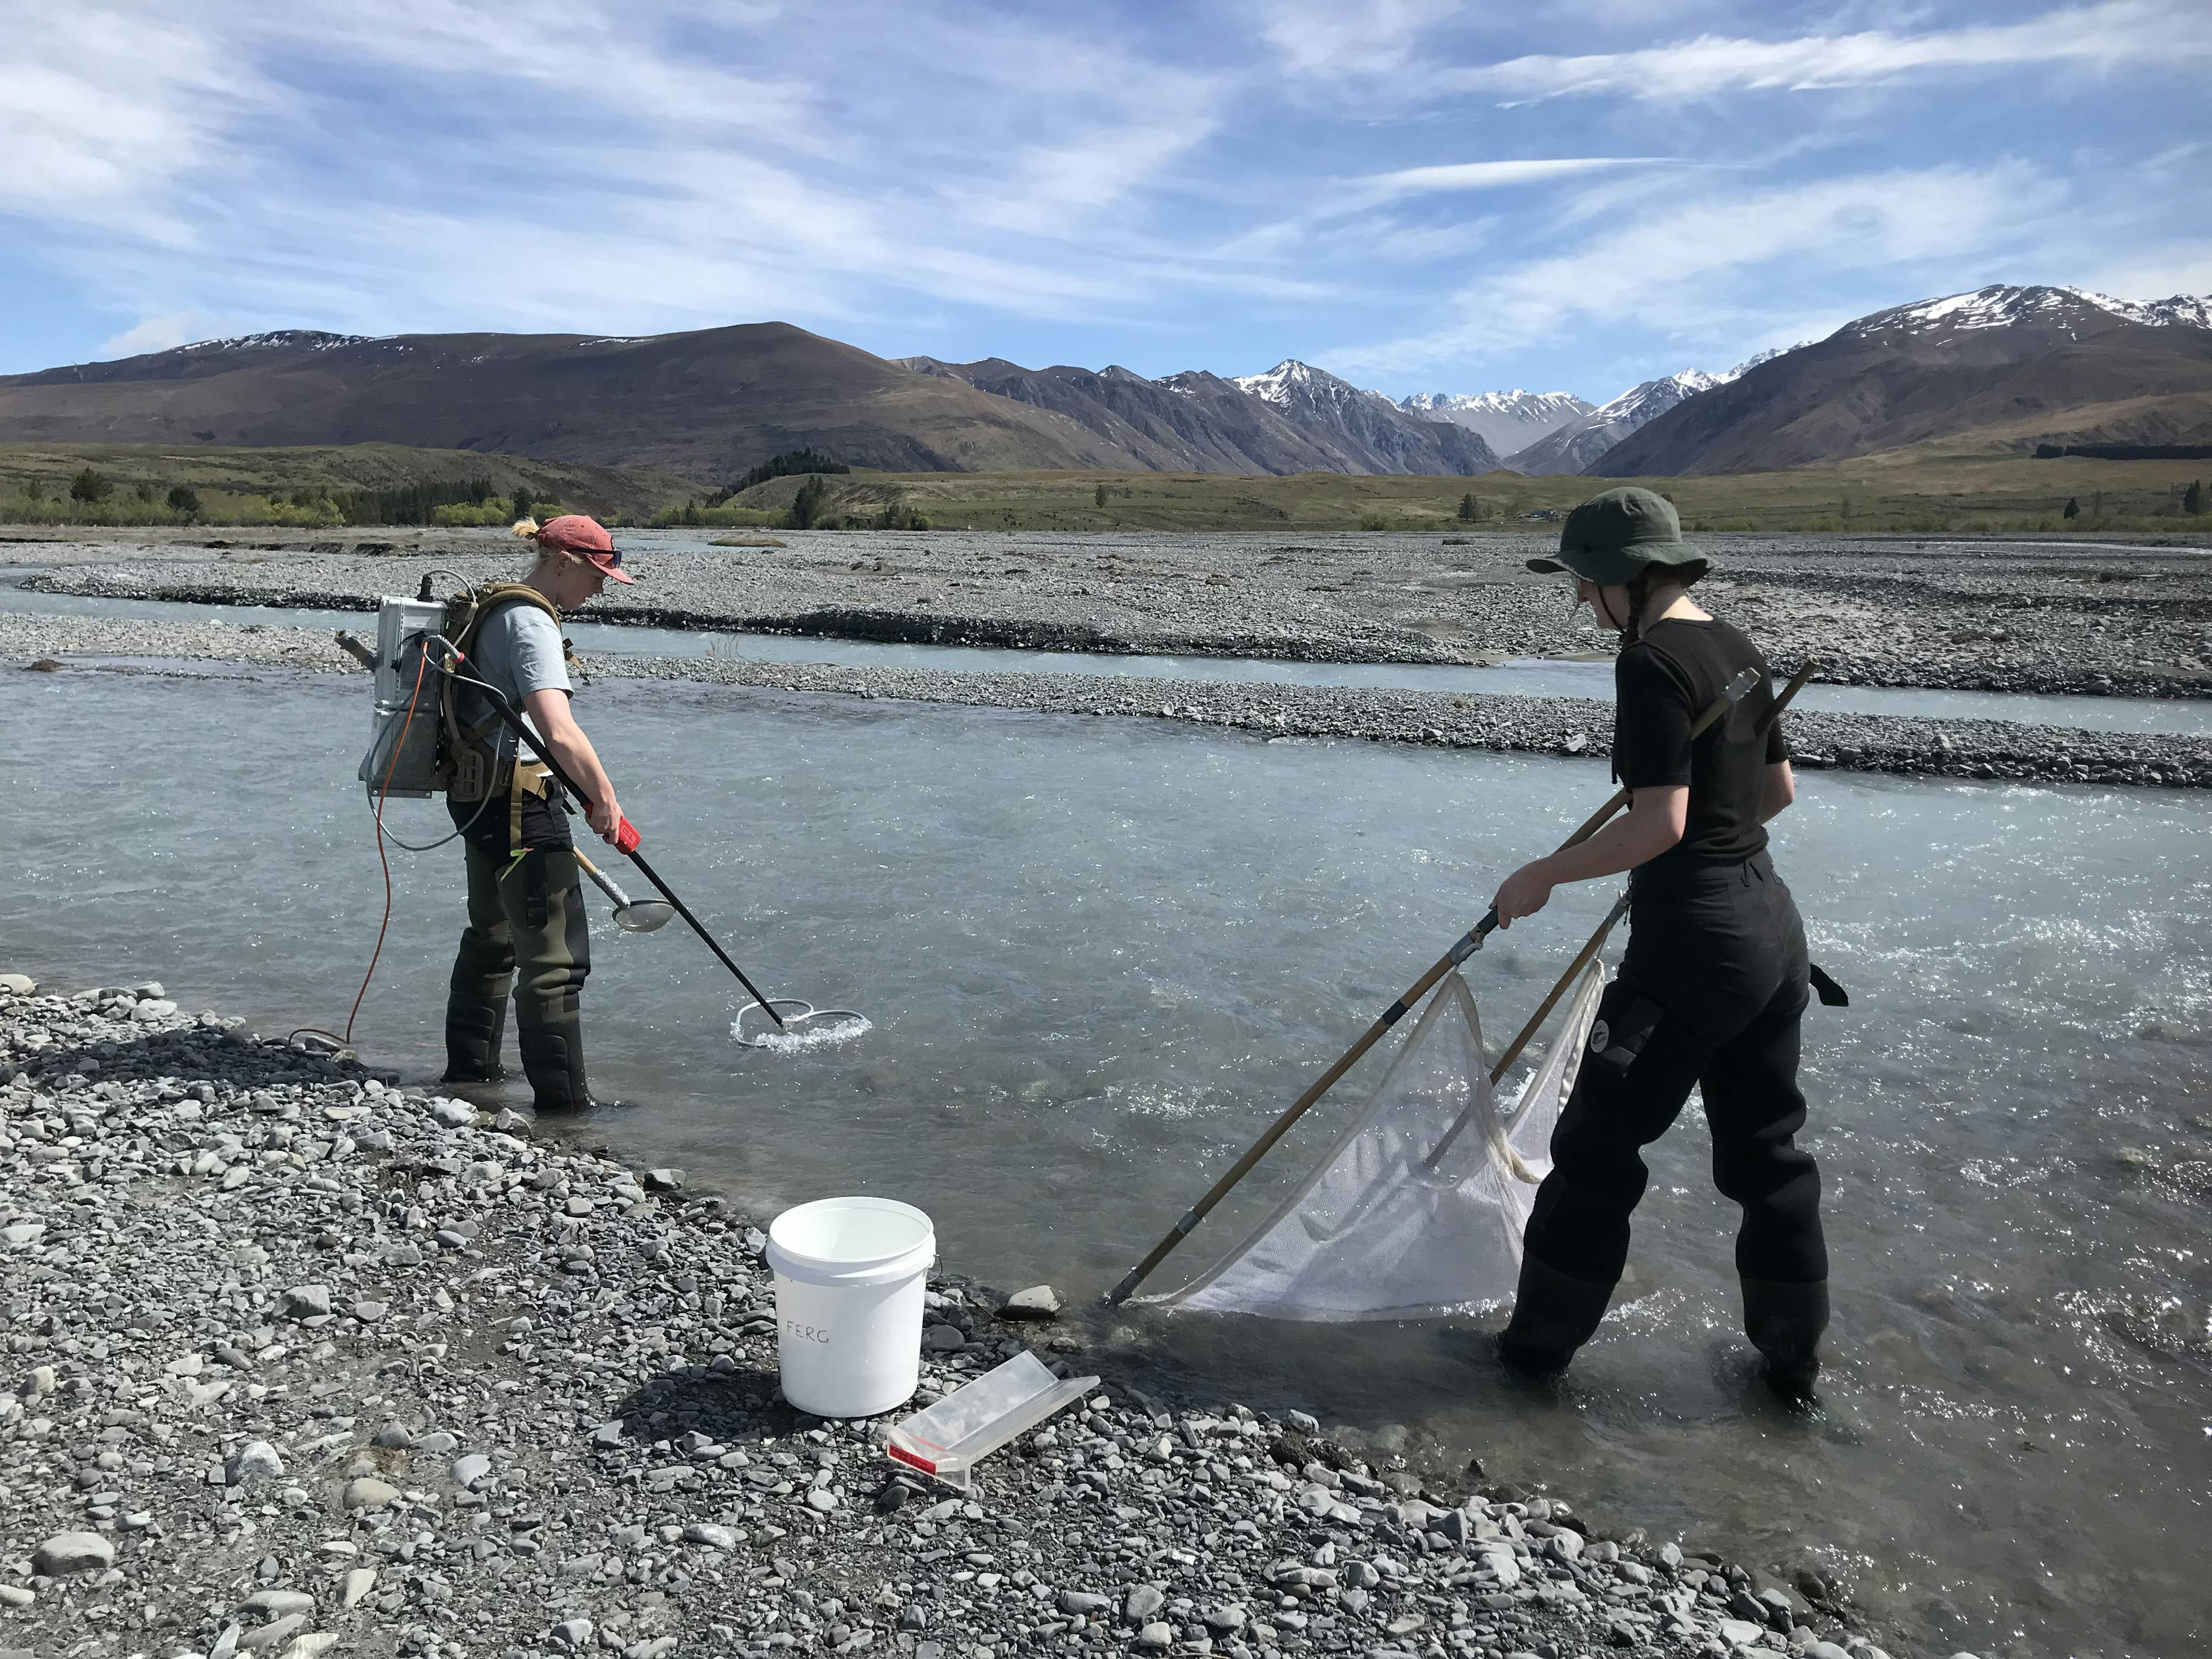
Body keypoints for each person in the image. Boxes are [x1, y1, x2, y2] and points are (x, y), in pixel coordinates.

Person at [1488, 487, 1829, 1398]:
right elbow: (1777, 795)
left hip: (1693, 951)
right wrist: (1710, 844)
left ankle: (1529, 1364)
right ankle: (1791, 1372)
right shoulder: (1738, 649)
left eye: (1585, 586)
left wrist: (1544, 873)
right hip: (1772, 937)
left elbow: (1660, 826)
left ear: (1628, 582)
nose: (1580, 604)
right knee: (1770, 1154)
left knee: (1596, 1153)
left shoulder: (1650, 663)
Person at [442, 514, 632, 1112]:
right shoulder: (531, 623)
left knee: (493, 938)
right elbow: (559, 730)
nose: (601, 588)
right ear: (562, 561)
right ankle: (566, 1111)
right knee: (555, 962)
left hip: (476, 795)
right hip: (521, 802)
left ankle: (470, 1082)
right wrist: (606, 798)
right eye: (597, 574)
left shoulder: (496, 608)